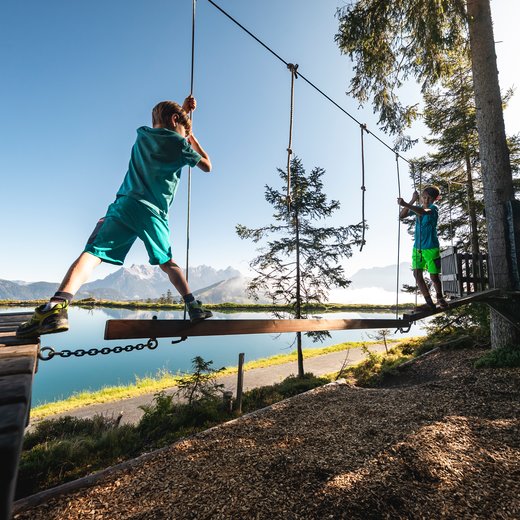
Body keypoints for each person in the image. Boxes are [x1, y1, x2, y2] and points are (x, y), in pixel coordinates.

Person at [17, 95, 213, 338]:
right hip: (154, 215)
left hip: (125, 206)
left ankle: (56, 307)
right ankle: (193, 306)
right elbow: (207, 165)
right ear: (176, 121)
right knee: (168, 263)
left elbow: (170, 128)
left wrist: (183, 115)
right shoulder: (183, 146)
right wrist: (192, 139)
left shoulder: (143, 135)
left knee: (93, 253)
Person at [398, 186, 448, 311]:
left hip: (431, 248)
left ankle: (440, 298)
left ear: (433, 200)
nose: (425, 200)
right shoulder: (417, 208)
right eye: (423, 197)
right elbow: (401, 215)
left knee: (434, 277)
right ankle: (429, 302)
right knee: (417, 274)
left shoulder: (433, 209)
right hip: (418, 248)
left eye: (428, 198)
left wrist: (405, 203)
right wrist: (411, 201)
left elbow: (423, 212)